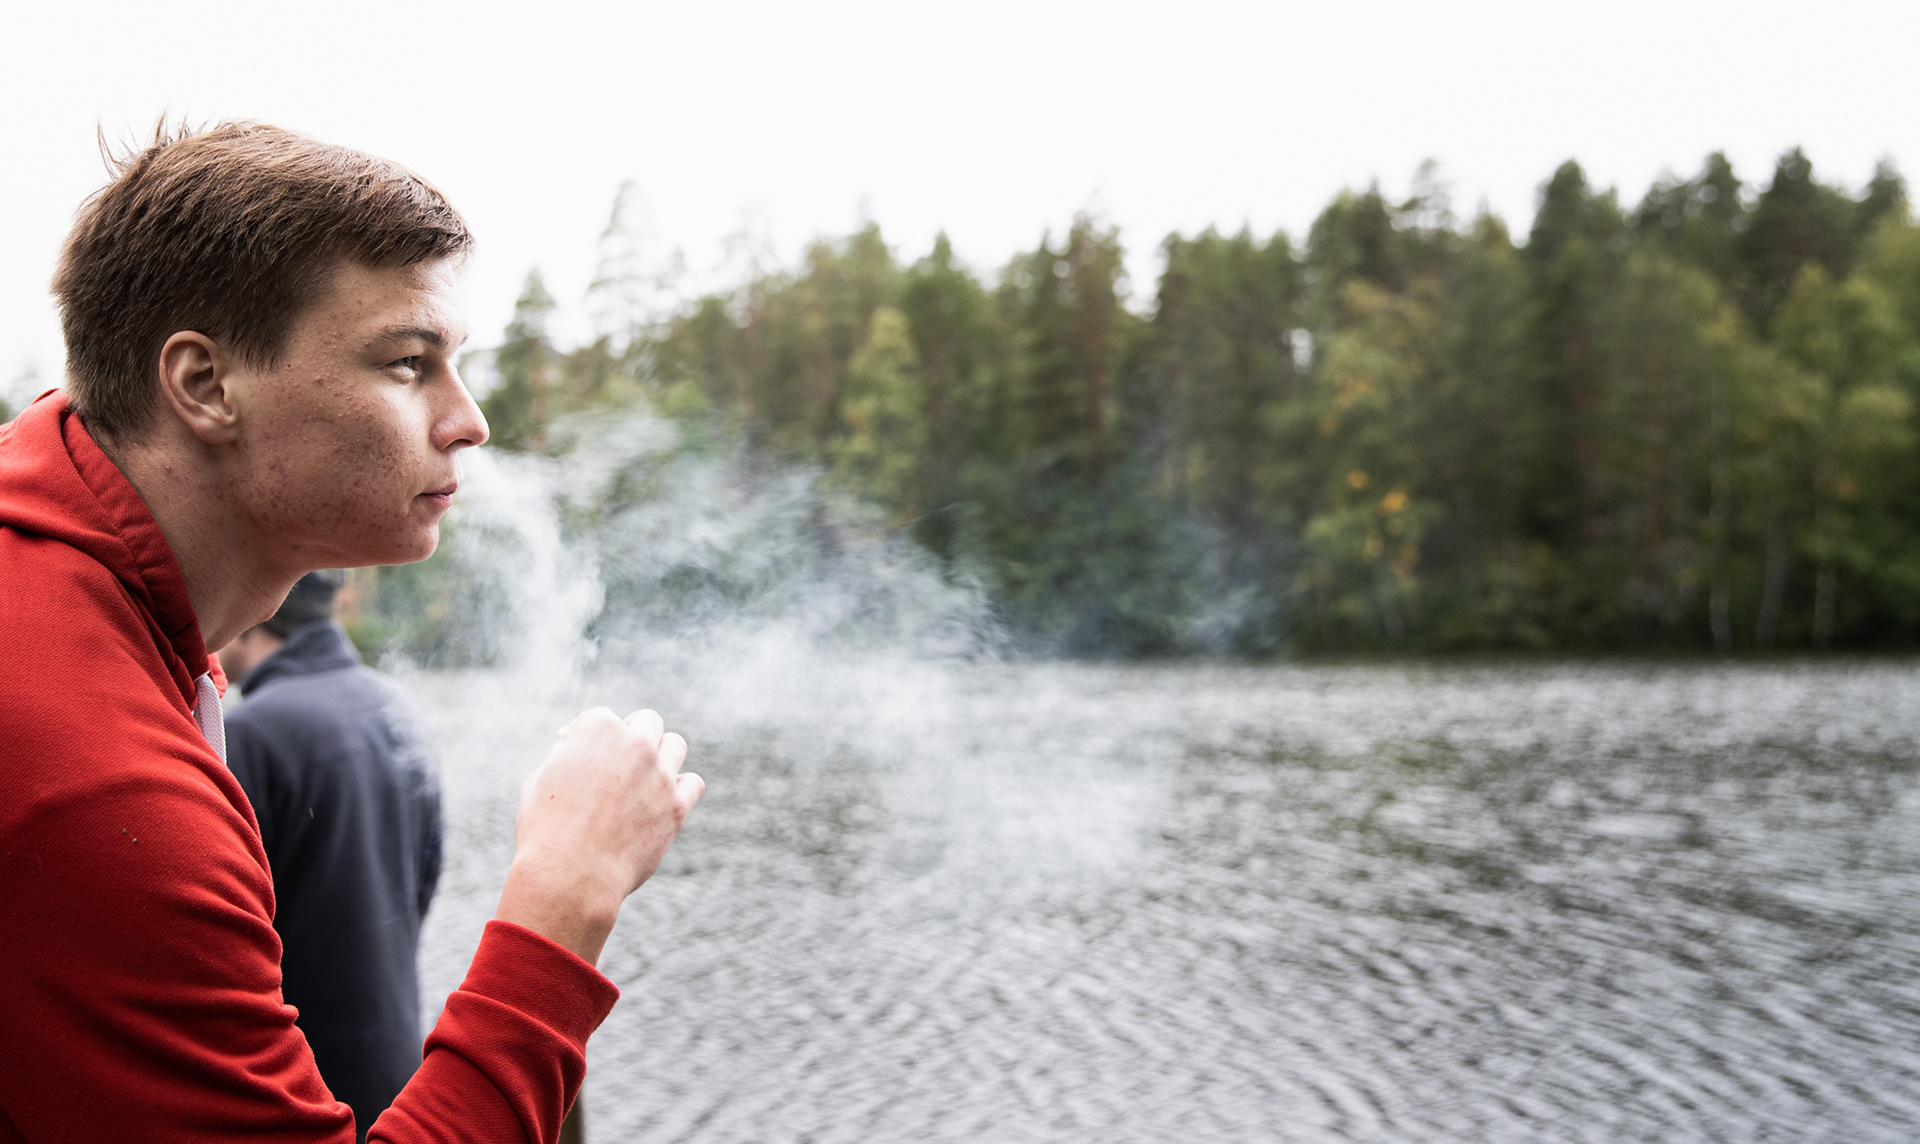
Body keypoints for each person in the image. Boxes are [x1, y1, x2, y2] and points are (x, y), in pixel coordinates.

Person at [0, 122, 703, 1141]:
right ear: (204, 385)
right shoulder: (101, 781)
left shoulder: (59, 588)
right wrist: (566, 894)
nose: (469, 421)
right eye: (408, 363)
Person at [217, 571, 444, 1140]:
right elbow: (427, 873)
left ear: (253, 614)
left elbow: (220, 937)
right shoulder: (391, 703)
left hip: (301, 1084)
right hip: (398, 1072)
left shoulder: (250, 733)